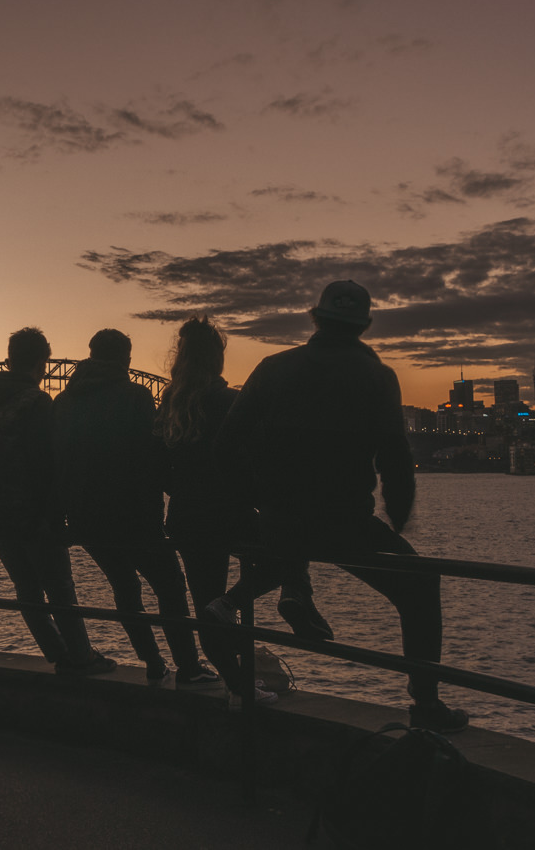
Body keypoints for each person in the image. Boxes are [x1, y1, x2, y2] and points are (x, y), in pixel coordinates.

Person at [211, 281, 468, 732]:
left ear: (316, 318)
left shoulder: (273, 367)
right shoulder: (376, 376)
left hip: (279, 520)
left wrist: (256, 502)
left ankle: (279, 591)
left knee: (287, 548)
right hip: (344, 522)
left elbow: (229, 443)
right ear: (364, 325)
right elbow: (394, 460)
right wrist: (399, 518)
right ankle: (425, 703)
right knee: (421, 586)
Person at [52, 328, 218, 688]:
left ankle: (153, 661)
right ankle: (188, 668)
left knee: (125, 590)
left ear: (91, 354)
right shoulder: (135, 397)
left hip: (85, 521)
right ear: (126, 359)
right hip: (135, 518)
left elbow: (55, 462)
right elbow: (153, 455)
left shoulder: (63, 403)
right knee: (170, 588)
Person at [0, 327, 115, 675]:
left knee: (26, 588)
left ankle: (58, 653)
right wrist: (55, 514)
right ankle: (82, 658)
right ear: (43, 364)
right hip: (35, 518)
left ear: (8, 360)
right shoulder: (38, 403)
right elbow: (50, 465)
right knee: (60, 589)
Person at [156, 317, 275, 704]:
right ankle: (234, 603)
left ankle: (239, 686)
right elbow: (253, 460)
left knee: (203, 601)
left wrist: (184, 491)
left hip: (187, 516)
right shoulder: (229, 402)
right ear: (217, 358)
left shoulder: (171, 400)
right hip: (230, 512)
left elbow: (162, 465)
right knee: (286, 556)